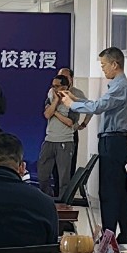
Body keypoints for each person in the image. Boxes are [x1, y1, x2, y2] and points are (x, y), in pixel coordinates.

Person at [65, 45, 127, 243]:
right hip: (112, 141)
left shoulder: (120, 86)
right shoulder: (116, 86)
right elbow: (99, 104)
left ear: (114, 64)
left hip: (114, 141)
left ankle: (109, 235)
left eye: (104, 65)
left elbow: (98, 107)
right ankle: (123, 235)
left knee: (110, 190)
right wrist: (77, 100)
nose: (102, 69)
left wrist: (72, 104)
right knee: (118, 189)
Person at [39, 68, 82, 204]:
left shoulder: (73, 101)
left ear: (65, 87)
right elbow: (47, 114)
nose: (54, 89)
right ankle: (47, 200)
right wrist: (55, 102)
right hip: (49, 140)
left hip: (65, 141)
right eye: (53, 86)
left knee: (64, 177)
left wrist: (55, 113)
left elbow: (70, 122)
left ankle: (64, 205)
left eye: (57, 86)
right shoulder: (51, 96)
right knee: (43, 175)